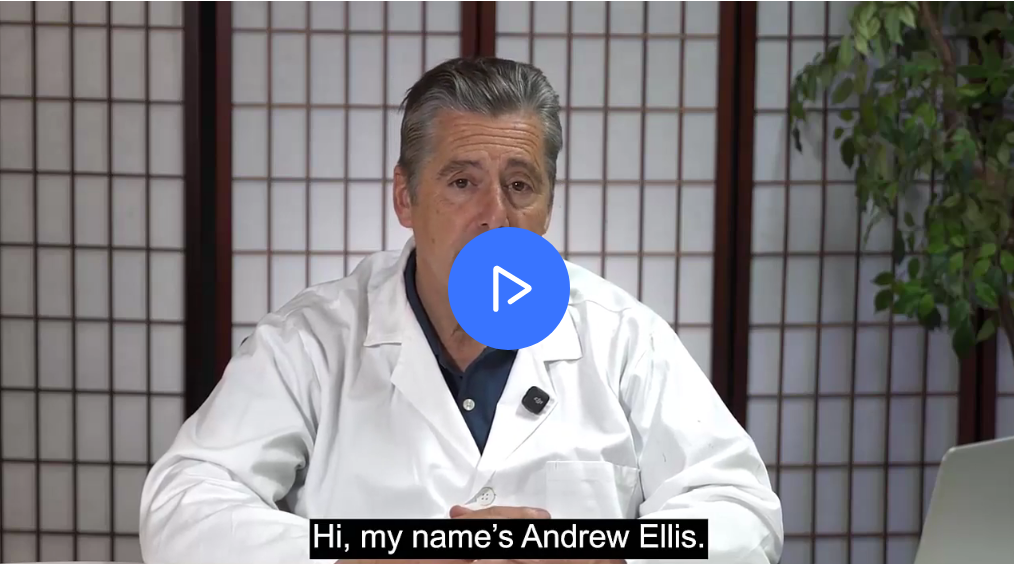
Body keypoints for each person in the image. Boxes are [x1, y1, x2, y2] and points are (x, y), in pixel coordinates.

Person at [139, 57, 783, 564]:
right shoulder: (311, 341)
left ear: (549, 204)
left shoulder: (623, 337)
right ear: (405, 197)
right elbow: (184, 506)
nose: (494, 216)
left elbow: (739, 507)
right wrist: (366, 556)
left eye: (520, 185)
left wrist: (604, 553)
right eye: (461, 182)